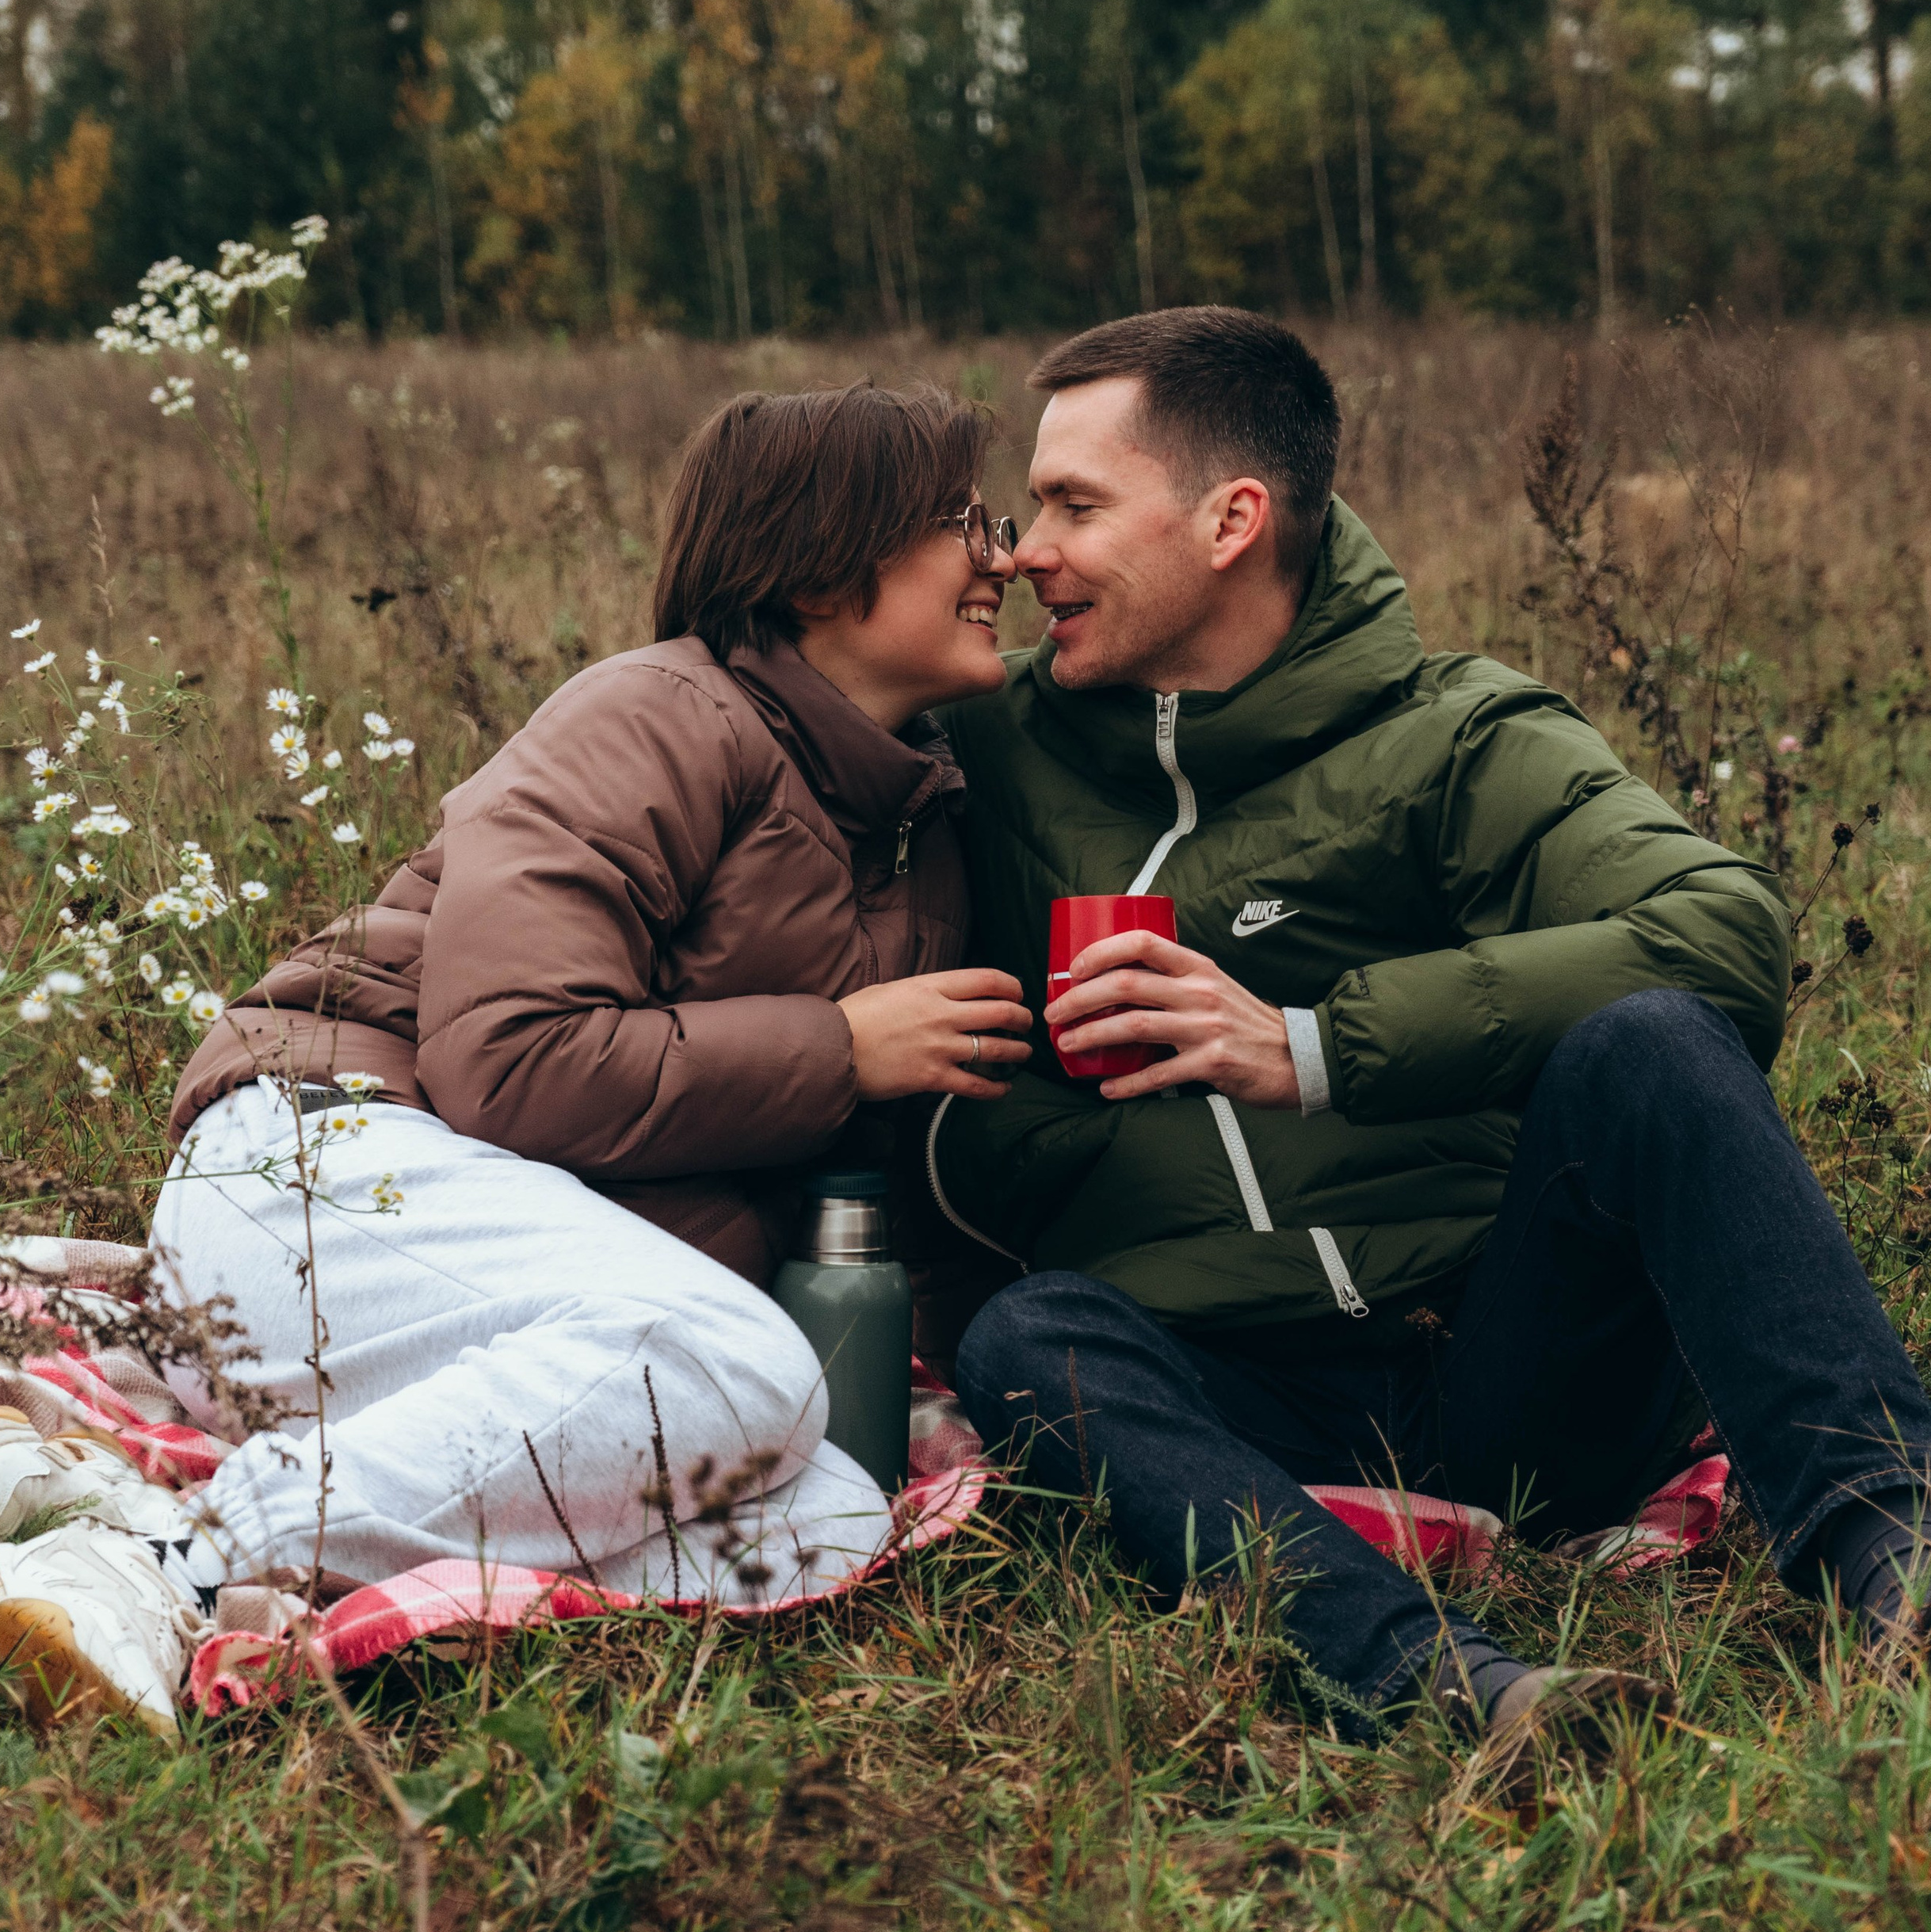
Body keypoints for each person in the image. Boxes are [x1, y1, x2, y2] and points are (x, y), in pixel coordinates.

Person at [930, 307, 1931, 1781]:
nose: (1024, 550)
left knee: (1649, 1041)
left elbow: (1721, 928)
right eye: (1030, 506)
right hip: (1236, 1394)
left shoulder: (1449, 734)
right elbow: (731, 754)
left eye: (1075, 504)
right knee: (1024, 1343)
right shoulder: (991, 752)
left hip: (1505, 1354)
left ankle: (1890, 1555)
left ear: (1230, 519)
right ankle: (1454, 1686)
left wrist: (1314, 1044)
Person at [0, 381, 1032, 1732]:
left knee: (830, 1511)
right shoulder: (659, 714)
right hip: (322, 1162)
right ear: (830, 562)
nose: (1000, 554)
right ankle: (164, 1564)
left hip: (497, 1307)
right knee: (748, 1368)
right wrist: (837, 1046)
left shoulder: (911, 815)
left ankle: (172, 1510)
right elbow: (509, 1059)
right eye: (963, 519)